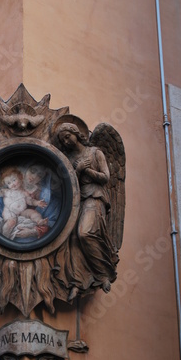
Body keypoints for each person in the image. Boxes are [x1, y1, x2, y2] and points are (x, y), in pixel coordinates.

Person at [57, 122, 118, 295]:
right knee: (73, 238)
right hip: (77, 201)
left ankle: (103, 273)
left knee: (85, 233)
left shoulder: (95, 152)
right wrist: (77, 171)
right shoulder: (69, 160)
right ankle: (78, 281)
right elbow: (69, 185)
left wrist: (87, 171)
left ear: (76, 133)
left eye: (68, 136)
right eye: (63, 140)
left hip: (94, 197)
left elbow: (106, 177)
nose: (66, 141)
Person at [0, 162, 60, 242]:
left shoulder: (49, 198)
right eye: (32, 171)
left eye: (39, 175)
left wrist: (34, 231)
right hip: (10, 218)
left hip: (29, 240)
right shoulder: (9, 188)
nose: (34, 177)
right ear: (25, 168)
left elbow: (54, 224)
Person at [0, 166, 48, 238]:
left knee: (33, 212)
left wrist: (37, 203)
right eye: (9, 183)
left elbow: (30, 201)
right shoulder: (6, 191)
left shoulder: (24, 192)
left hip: (22, 211)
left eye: (14, 180)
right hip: (10, 212)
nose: (12, 184)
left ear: (20, 178)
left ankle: (39, 221)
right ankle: (5, 237)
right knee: (11, 223)